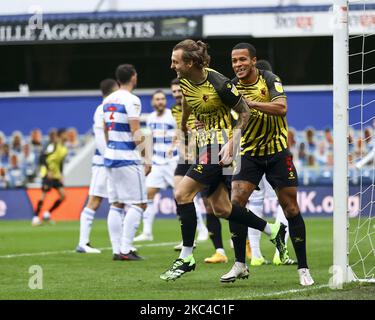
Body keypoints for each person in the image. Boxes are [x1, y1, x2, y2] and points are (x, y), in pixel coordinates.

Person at [160, 39, 287, 282]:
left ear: (190, 62)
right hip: (204, 145)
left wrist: (232, 141)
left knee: (182, 194)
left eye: (175, 61)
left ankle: (186, 257)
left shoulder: (219, 82)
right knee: (223, 209)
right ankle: (274, 231)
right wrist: (186, 123)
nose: (171, 65)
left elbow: (245, 112)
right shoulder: (185, 81)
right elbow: (188, 99)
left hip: (221, 147)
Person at [227, 42, 313, 285]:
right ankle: (240, 264)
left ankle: (303, 268)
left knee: (291, 209)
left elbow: (282, 107)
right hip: (249, 154)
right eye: (234, 61)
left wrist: (252, 104)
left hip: (277, 153)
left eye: (242, 59)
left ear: (253, 61)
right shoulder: (231, 88)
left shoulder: (269, 79)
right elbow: (230, 117)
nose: (238, 65)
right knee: (235, 204)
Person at [103, 64, 149, 261]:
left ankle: (116, 249)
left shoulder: (107, 100)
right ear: (133, 77)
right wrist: (146, 157)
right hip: (127, 157)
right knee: (139, 203)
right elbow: (136, 131)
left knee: (116, 203)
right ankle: (125, 249)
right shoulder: (132, 100)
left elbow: (106, 130)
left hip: (110, 154)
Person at [75, 78, 119, 254]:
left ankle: (122, 243)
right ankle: (83, 243)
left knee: (117, 201)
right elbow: (101, 138)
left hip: (110, 160)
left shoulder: (108, 109)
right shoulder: (102, 109)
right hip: (103, 162)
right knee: (95, 200)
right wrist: (110, 156)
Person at [134, 90, 179, 241]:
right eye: (157, 99)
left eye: (162, 99)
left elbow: (181, 133)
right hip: (157, 162)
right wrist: (147, 159)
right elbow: (149, 139)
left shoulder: (172, 114)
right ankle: (147, 232)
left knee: (183, 195)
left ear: (165, 101)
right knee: (148, 194)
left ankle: (202, 228)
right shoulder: (150, 118)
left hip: (172, 161)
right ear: (153, 102)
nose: (160, 102)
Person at [170, 78, 209, 251]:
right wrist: (180, 148)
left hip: (201, 152)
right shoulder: (172, 111)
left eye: (179, 91)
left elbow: (196, 130)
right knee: (178, 193)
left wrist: (192, 150)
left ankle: (209, 231)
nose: (177, 94)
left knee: (211, 201)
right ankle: (192, 236)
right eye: (174, 92)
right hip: (185, 155)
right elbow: (179, 131)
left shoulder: (194, 104)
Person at [31, 128, 68, 226]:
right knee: (44, 194)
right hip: (47, 173)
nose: (67, 136)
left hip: (55, 175)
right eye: (65, 134)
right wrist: (48, 171)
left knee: (63, 195)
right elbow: (42, 157)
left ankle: (47, 214)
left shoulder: (64, 149)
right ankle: (35, 217)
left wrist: (61, 175)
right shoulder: (53, 145)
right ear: (60, 135)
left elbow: (60, 163)